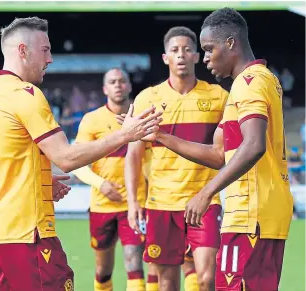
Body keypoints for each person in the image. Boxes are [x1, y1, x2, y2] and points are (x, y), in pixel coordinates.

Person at [0, 17, 162, 291]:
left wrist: (40, 181)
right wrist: (125, 134)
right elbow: (66, 158)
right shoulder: (26, 95)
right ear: (23, 51)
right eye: (45, 50)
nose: (50, 59)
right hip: (26, 232)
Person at [136, 8, 293, 291]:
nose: (205, 58)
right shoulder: (261, 80)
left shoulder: (248, 84)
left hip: (249, 215)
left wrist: (206, 192)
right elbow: (218, 154)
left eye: (209, 49)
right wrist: (158, 135)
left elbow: (254, 145)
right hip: (266, 213)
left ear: (231, 43)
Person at [123, 26, 229, 291]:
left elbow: (227, 152)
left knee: (206, 278)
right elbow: (134, 155)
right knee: (167, 283)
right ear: (165, 58)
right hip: (161, 202)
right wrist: (134, 201)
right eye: (174, 50)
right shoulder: (148, 98)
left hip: (204, 199)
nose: (181, 55)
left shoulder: (219, 97)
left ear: (196, 56)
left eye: (187, 50)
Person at [73, 68, 148, 291]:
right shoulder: (92, 120)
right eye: (113, 82)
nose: (118, 85)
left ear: (129, 86)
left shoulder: (142, 117)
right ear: (105, 89)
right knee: (103, 270)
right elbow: (78, 162)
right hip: (101, 205)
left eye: (122, 81)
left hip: (135, 204)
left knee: (135, 263)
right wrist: (101, 184)